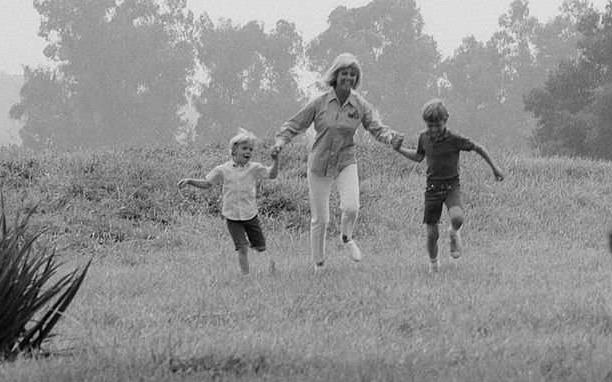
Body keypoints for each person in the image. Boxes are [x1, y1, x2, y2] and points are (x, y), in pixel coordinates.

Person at [270, 52, 403, 270]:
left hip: (345, 161)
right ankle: (319, 264)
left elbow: (377, 128)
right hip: (319, 164)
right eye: (344, 73)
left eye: (352, 75)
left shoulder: (360, 105)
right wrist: (280, 142)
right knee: (320, 220)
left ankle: (346, 237)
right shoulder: (320, 103)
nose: (348, 78)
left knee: (351, 207)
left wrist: (391, 138)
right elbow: (295, 125)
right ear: (335, 75)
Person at [393, 97, 504, 274]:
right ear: (426, 124)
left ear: (446, 120)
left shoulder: (454, 139)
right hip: (432, 189)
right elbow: (418, 157)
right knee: (431, 234)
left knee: (458, 217)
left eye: (438, 125)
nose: (434, 129)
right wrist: (398, 149)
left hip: (451, 185)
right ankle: (434, 264)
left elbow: (479, 148)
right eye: (430, 126)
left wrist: (495, 168)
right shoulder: (424, 138)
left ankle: (453, 233)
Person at [178, 128, 280, 276]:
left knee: (260, 247)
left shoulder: (254, 168)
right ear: (233, 151)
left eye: (250, 149)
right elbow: (207, 183)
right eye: (244, 148)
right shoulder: (223, 170)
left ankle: (258, 250)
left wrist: (276, 160)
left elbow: (272, 174)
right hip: (232, 217)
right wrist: (190, 181)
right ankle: (246, 275)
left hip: (250, 214)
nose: (248, 152)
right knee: (242, 248)